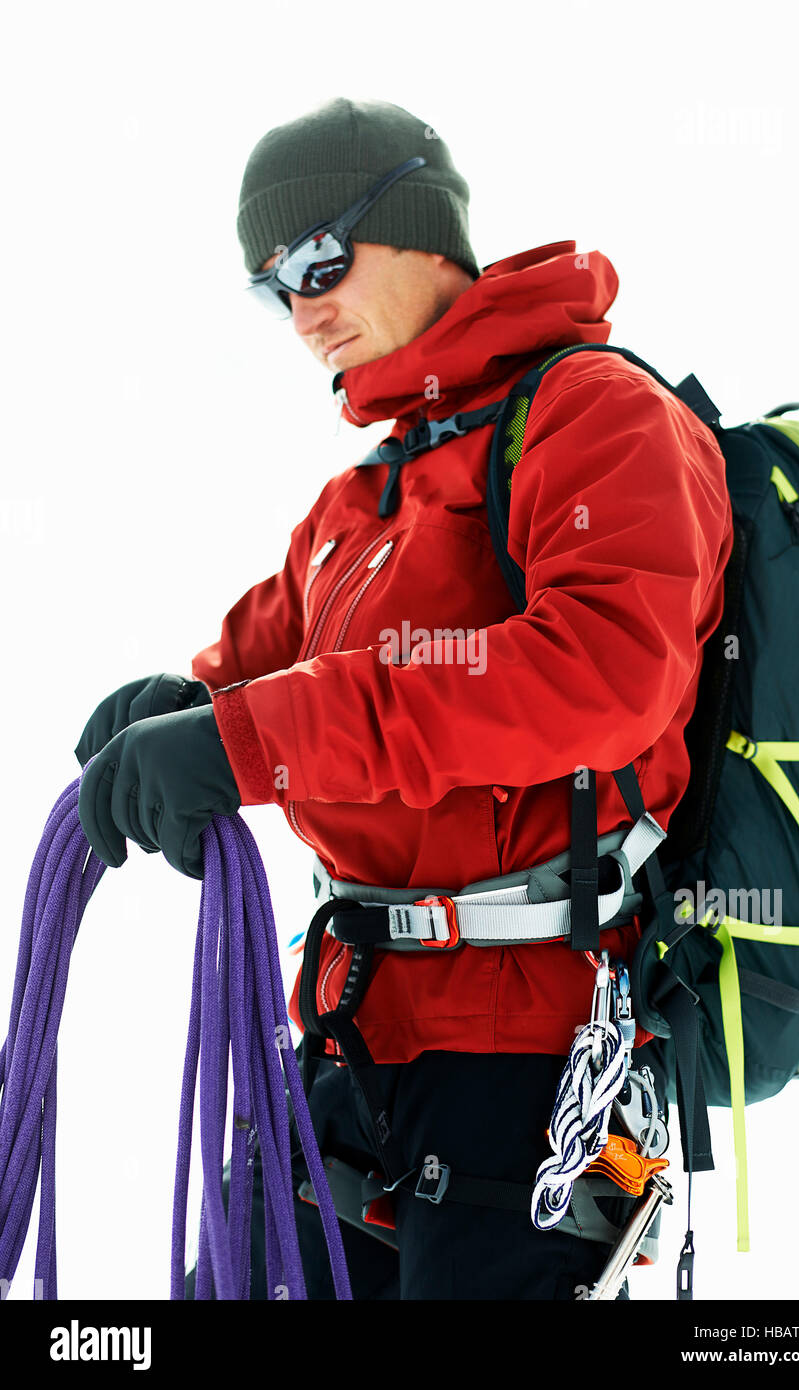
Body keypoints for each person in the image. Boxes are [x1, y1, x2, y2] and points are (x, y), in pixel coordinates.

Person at [75, 97, 733, 1300]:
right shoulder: (365, 496)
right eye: (272, 283)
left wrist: (248, 738)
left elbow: (596, 674)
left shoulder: (597, 416)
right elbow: (258, 674)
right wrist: (178, 705)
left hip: (522, 1056)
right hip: (352, 1029)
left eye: (320, 257)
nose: (301, 304)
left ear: (425, 228)